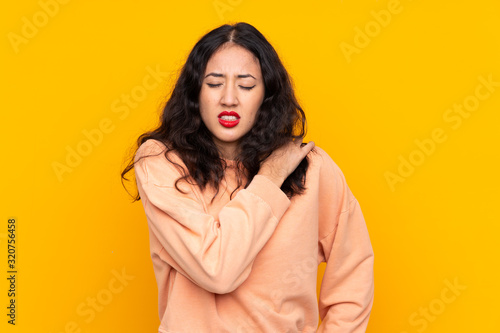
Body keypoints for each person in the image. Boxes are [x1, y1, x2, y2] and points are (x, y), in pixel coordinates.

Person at [121, 22, 374, 333]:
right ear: (194, 93)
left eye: (246, 85)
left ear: (266, 94)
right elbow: (217, 271)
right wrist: (269, 179)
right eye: (214, 84)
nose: (229, 99)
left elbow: (353, 274)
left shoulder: (312, 167)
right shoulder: (163, 163)